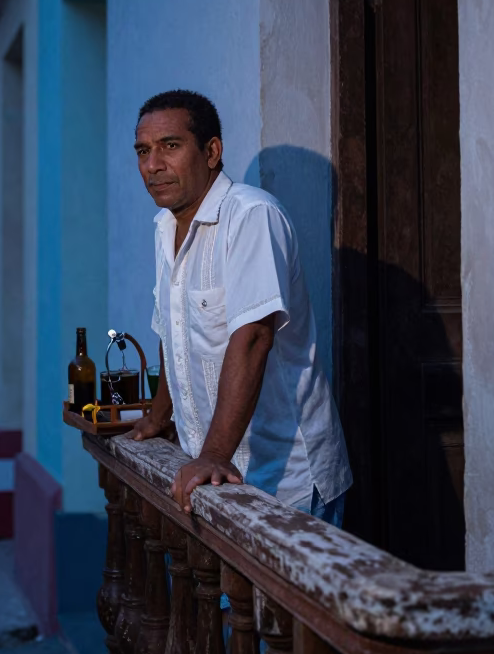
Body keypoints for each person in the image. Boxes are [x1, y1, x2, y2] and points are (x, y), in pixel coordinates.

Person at [132, 89, 352, 522]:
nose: (152, 165)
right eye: (143, 151)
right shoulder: (164, 226)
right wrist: (159, 416)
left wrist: (213, 454)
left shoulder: (251, 215)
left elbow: (253, 337)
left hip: (284, 482)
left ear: (212, 151)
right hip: (212, 476)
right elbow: (173, 329)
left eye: (170, 147)